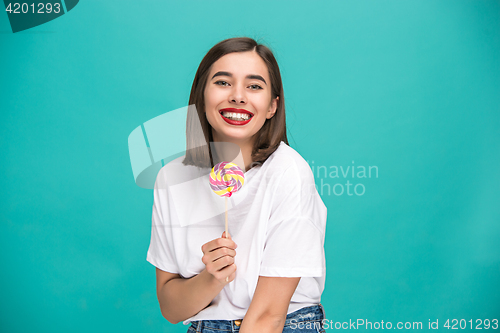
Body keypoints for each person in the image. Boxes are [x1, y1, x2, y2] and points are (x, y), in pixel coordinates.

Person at [147, 37, 327, 333]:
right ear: (201, 96)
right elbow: (171, 307)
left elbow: (269, 316)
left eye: (254, 86)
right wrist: (212, 277)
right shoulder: (172, 179)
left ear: (272, 106)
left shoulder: (289, 172)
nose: (238, 96)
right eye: (223, 82)